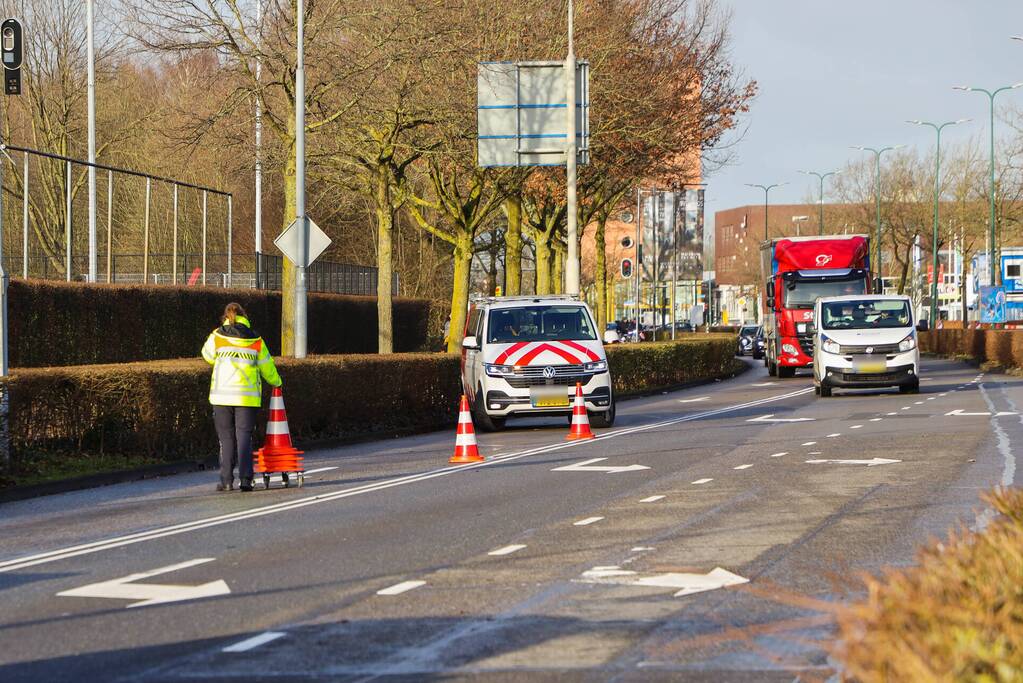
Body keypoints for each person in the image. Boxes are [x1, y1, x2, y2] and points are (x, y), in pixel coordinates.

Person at [201, 303, 282, 492]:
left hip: (221, 397)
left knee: (226, 439)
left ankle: (227, 481)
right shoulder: (255, 339)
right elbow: (267, 367)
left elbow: (207, 355)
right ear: (245, 316)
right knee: (244, 438)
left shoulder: (218, 336)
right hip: (247, 398)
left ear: (226, 316)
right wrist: (277, 382)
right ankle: (246, 480)